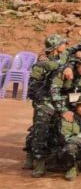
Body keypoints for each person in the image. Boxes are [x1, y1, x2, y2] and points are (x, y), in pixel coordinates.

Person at [25, 35, 69, 174]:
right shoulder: (42, 63)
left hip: (59, 102)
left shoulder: (63, 57)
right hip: (44, 103)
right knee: (40, 132)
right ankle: (37, 161)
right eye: (62, 43)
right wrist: (40, 102)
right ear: (55, 47)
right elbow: (32, 88)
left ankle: (50, 159)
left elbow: (72, 55)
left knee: (56, 130)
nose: (65, 46)